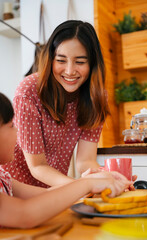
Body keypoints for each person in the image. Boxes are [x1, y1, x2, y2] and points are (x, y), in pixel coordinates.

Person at [2, 20, 127, 188]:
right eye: (61, 60)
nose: (69, 71)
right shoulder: (29, 91)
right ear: (51, 59)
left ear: (92, 64)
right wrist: (82, 187)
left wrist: (109, 178)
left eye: (80, 62)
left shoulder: (96, 96)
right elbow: (37, 166)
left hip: (54, 189)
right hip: (14, 190)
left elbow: (85, 160)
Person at [0, 92, 132, 228]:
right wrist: (87, 184)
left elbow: (45, 195)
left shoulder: (3, 178)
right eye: (11, 126)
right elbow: (24, 215)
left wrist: (89, 183)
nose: (17, 131)